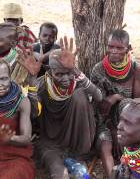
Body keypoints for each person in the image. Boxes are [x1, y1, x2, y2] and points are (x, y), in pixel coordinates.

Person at [19, 36, 102, 179]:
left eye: (68, 73)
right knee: (58, 170)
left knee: (80, 96)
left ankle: (79, 153)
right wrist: (32, 79)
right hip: (51, 142)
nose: (65, 78)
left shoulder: (77, 81)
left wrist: (74, 69)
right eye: (59, 74)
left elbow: (99, 96)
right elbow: (33, 114)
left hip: (77, 143)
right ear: (50, 72)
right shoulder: (42, 84)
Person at [90, 29, 140, 177]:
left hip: (127, 122)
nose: (114, 51)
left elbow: (136, 104)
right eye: (111, 46)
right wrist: (113, 129)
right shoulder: (98, 70)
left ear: (129, 48)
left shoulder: (135, 69)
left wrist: (116, 97)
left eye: (119, 48)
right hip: (104, 121)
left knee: (127, 104)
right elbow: (99, 107)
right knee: (105, 147)